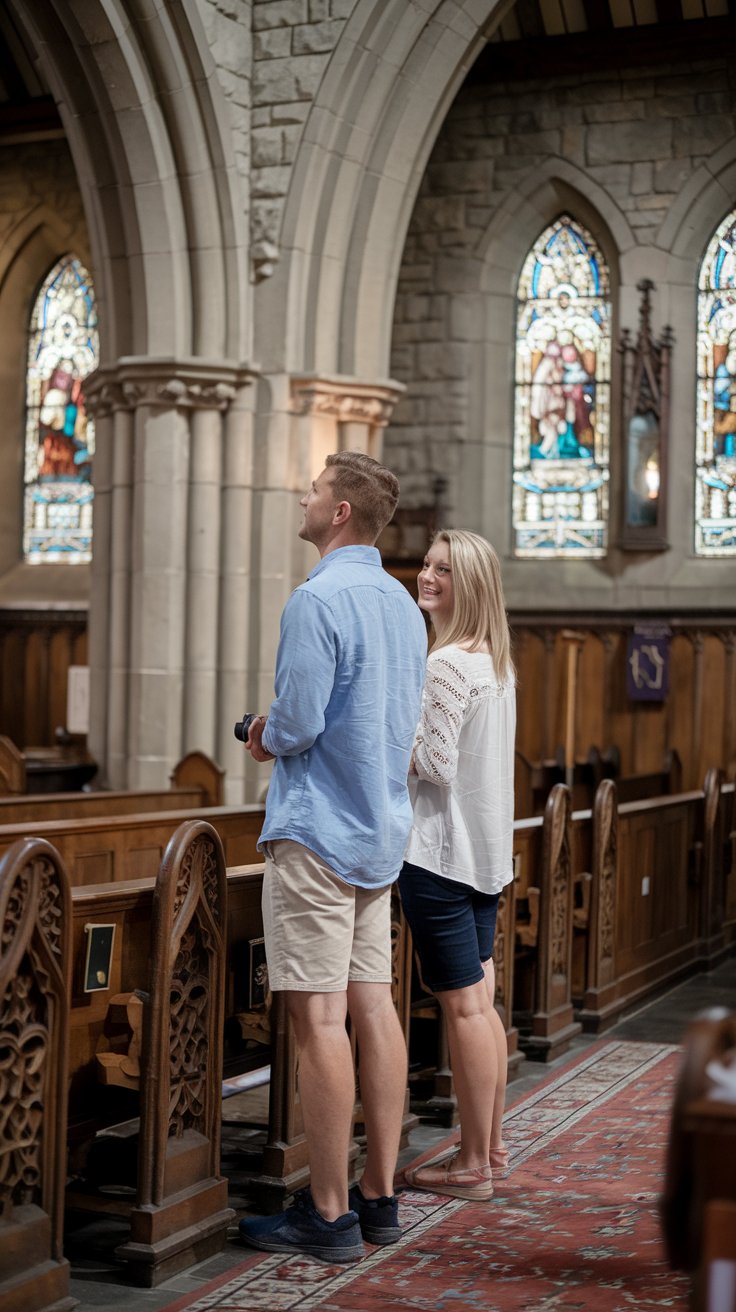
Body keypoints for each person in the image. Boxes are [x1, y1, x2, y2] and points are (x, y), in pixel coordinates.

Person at [238, 452, 427, 1263]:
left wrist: (260, 735)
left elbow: (301, 722)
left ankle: (326, 1214)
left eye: (314, 490)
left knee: (319, 1022)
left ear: (341, 511)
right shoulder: (401, 603)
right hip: (380, 832)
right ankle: (378, 1199)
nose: (305, 498)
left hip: (318, 832)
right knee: (373, 1008)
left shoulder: (318, 599)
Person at [399, 529, 515, 1202]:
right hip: (485, 859)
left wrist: (379, 740)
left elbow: (435, 764)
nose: (428, 576)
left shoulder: (446, 665)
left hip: (440, 856)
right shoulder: (494, 665)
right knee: (482, 1004)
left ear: (469, 585)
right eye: (428, 564)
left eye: (445, 569)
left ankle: (472, 1165)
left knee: (466, 1011)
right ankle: (490, 1146)